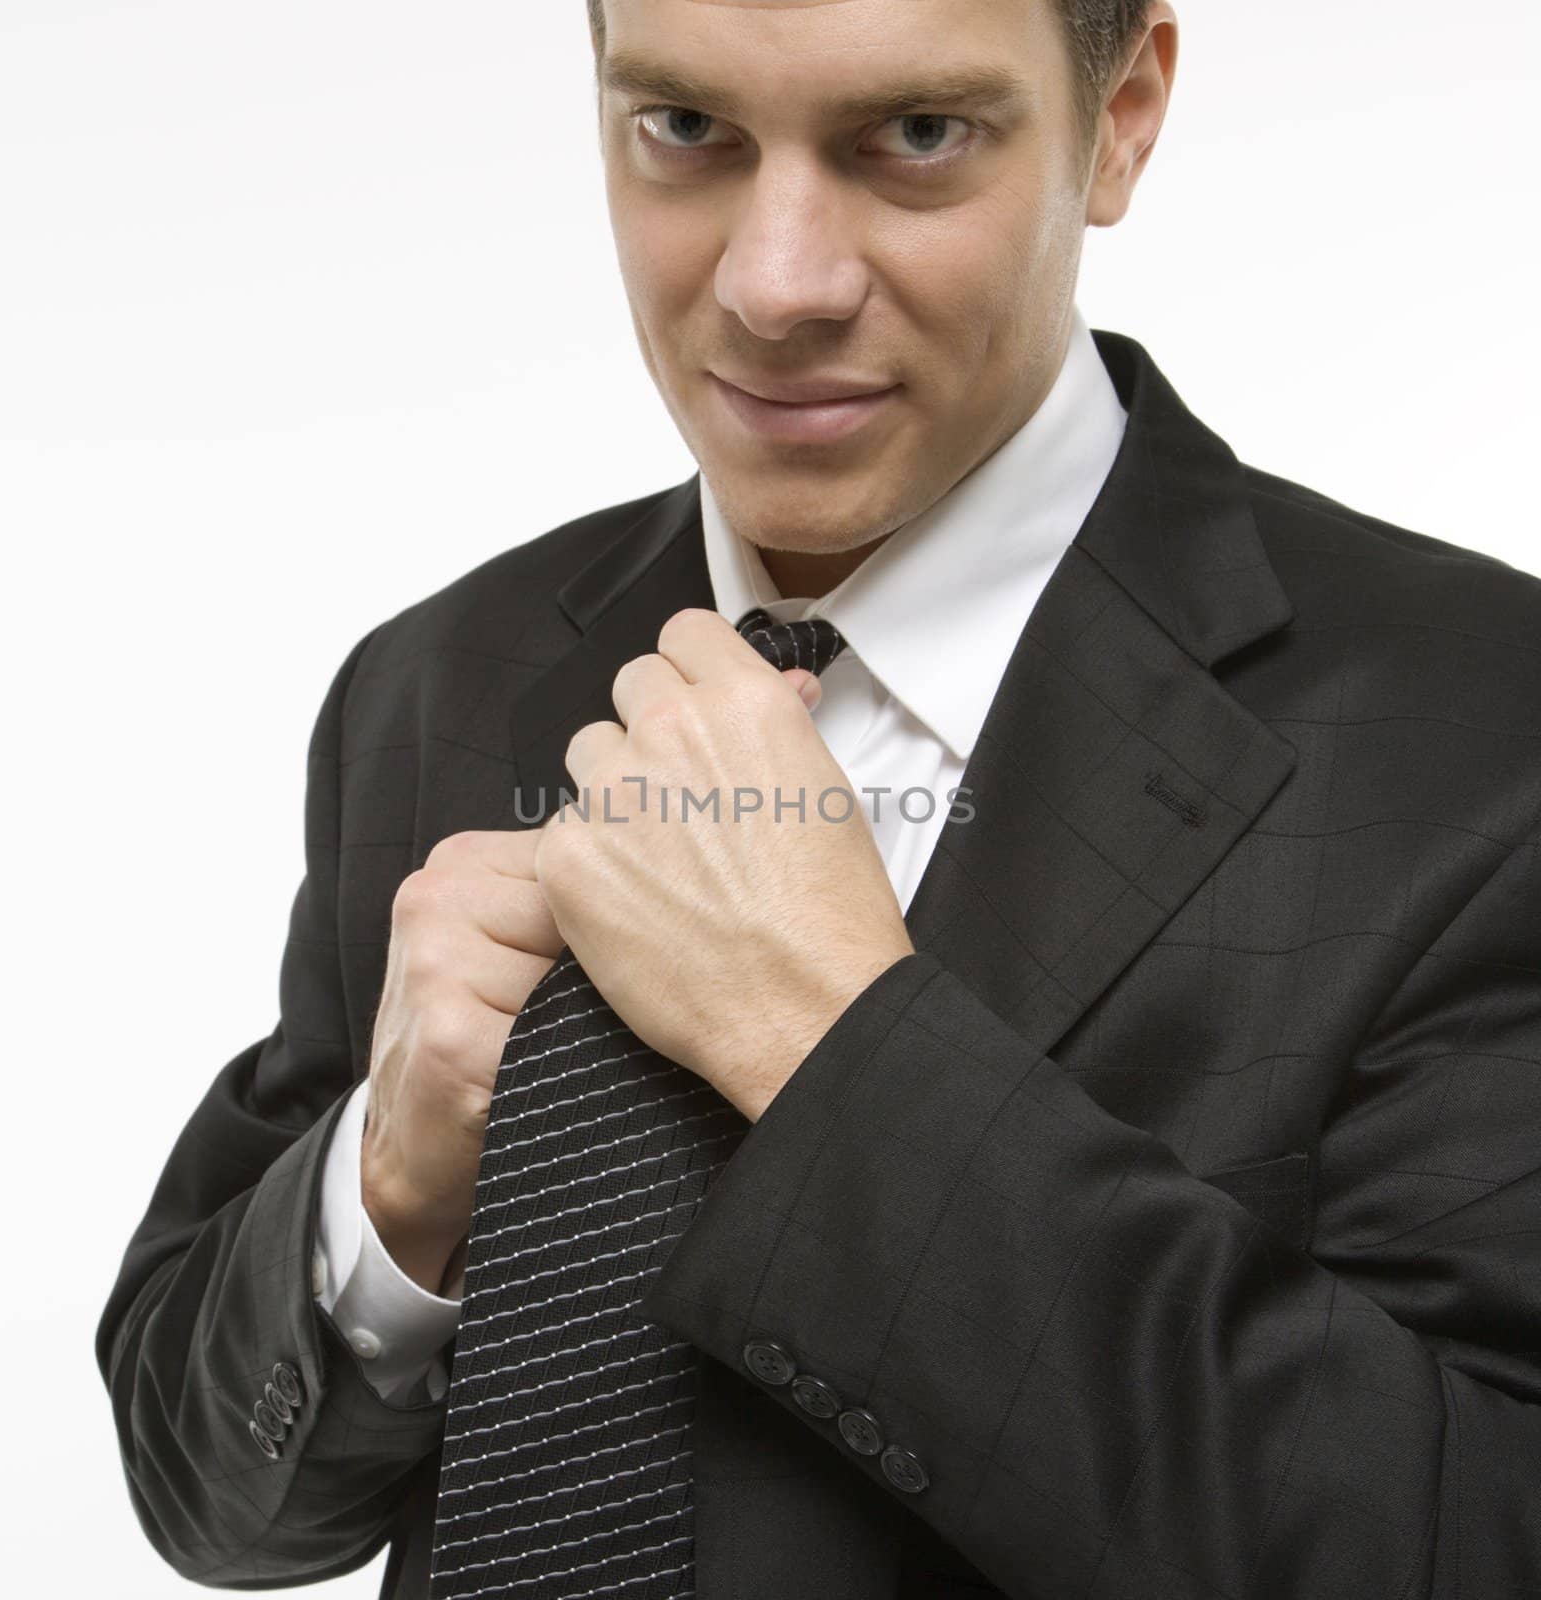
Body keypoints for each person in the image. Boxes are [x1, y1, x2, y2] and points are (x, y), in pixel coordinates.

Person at [96, 2, 1541, 1596]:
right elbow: (213, 1502)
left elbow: (1470, 1538)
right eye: (688, 131)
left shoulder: (1488, 737)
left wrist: (829, 1040)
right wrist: (391, 1188)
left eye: (916, 136)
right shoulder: (435, 678)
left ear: (1119, 116)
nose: (776, 285)